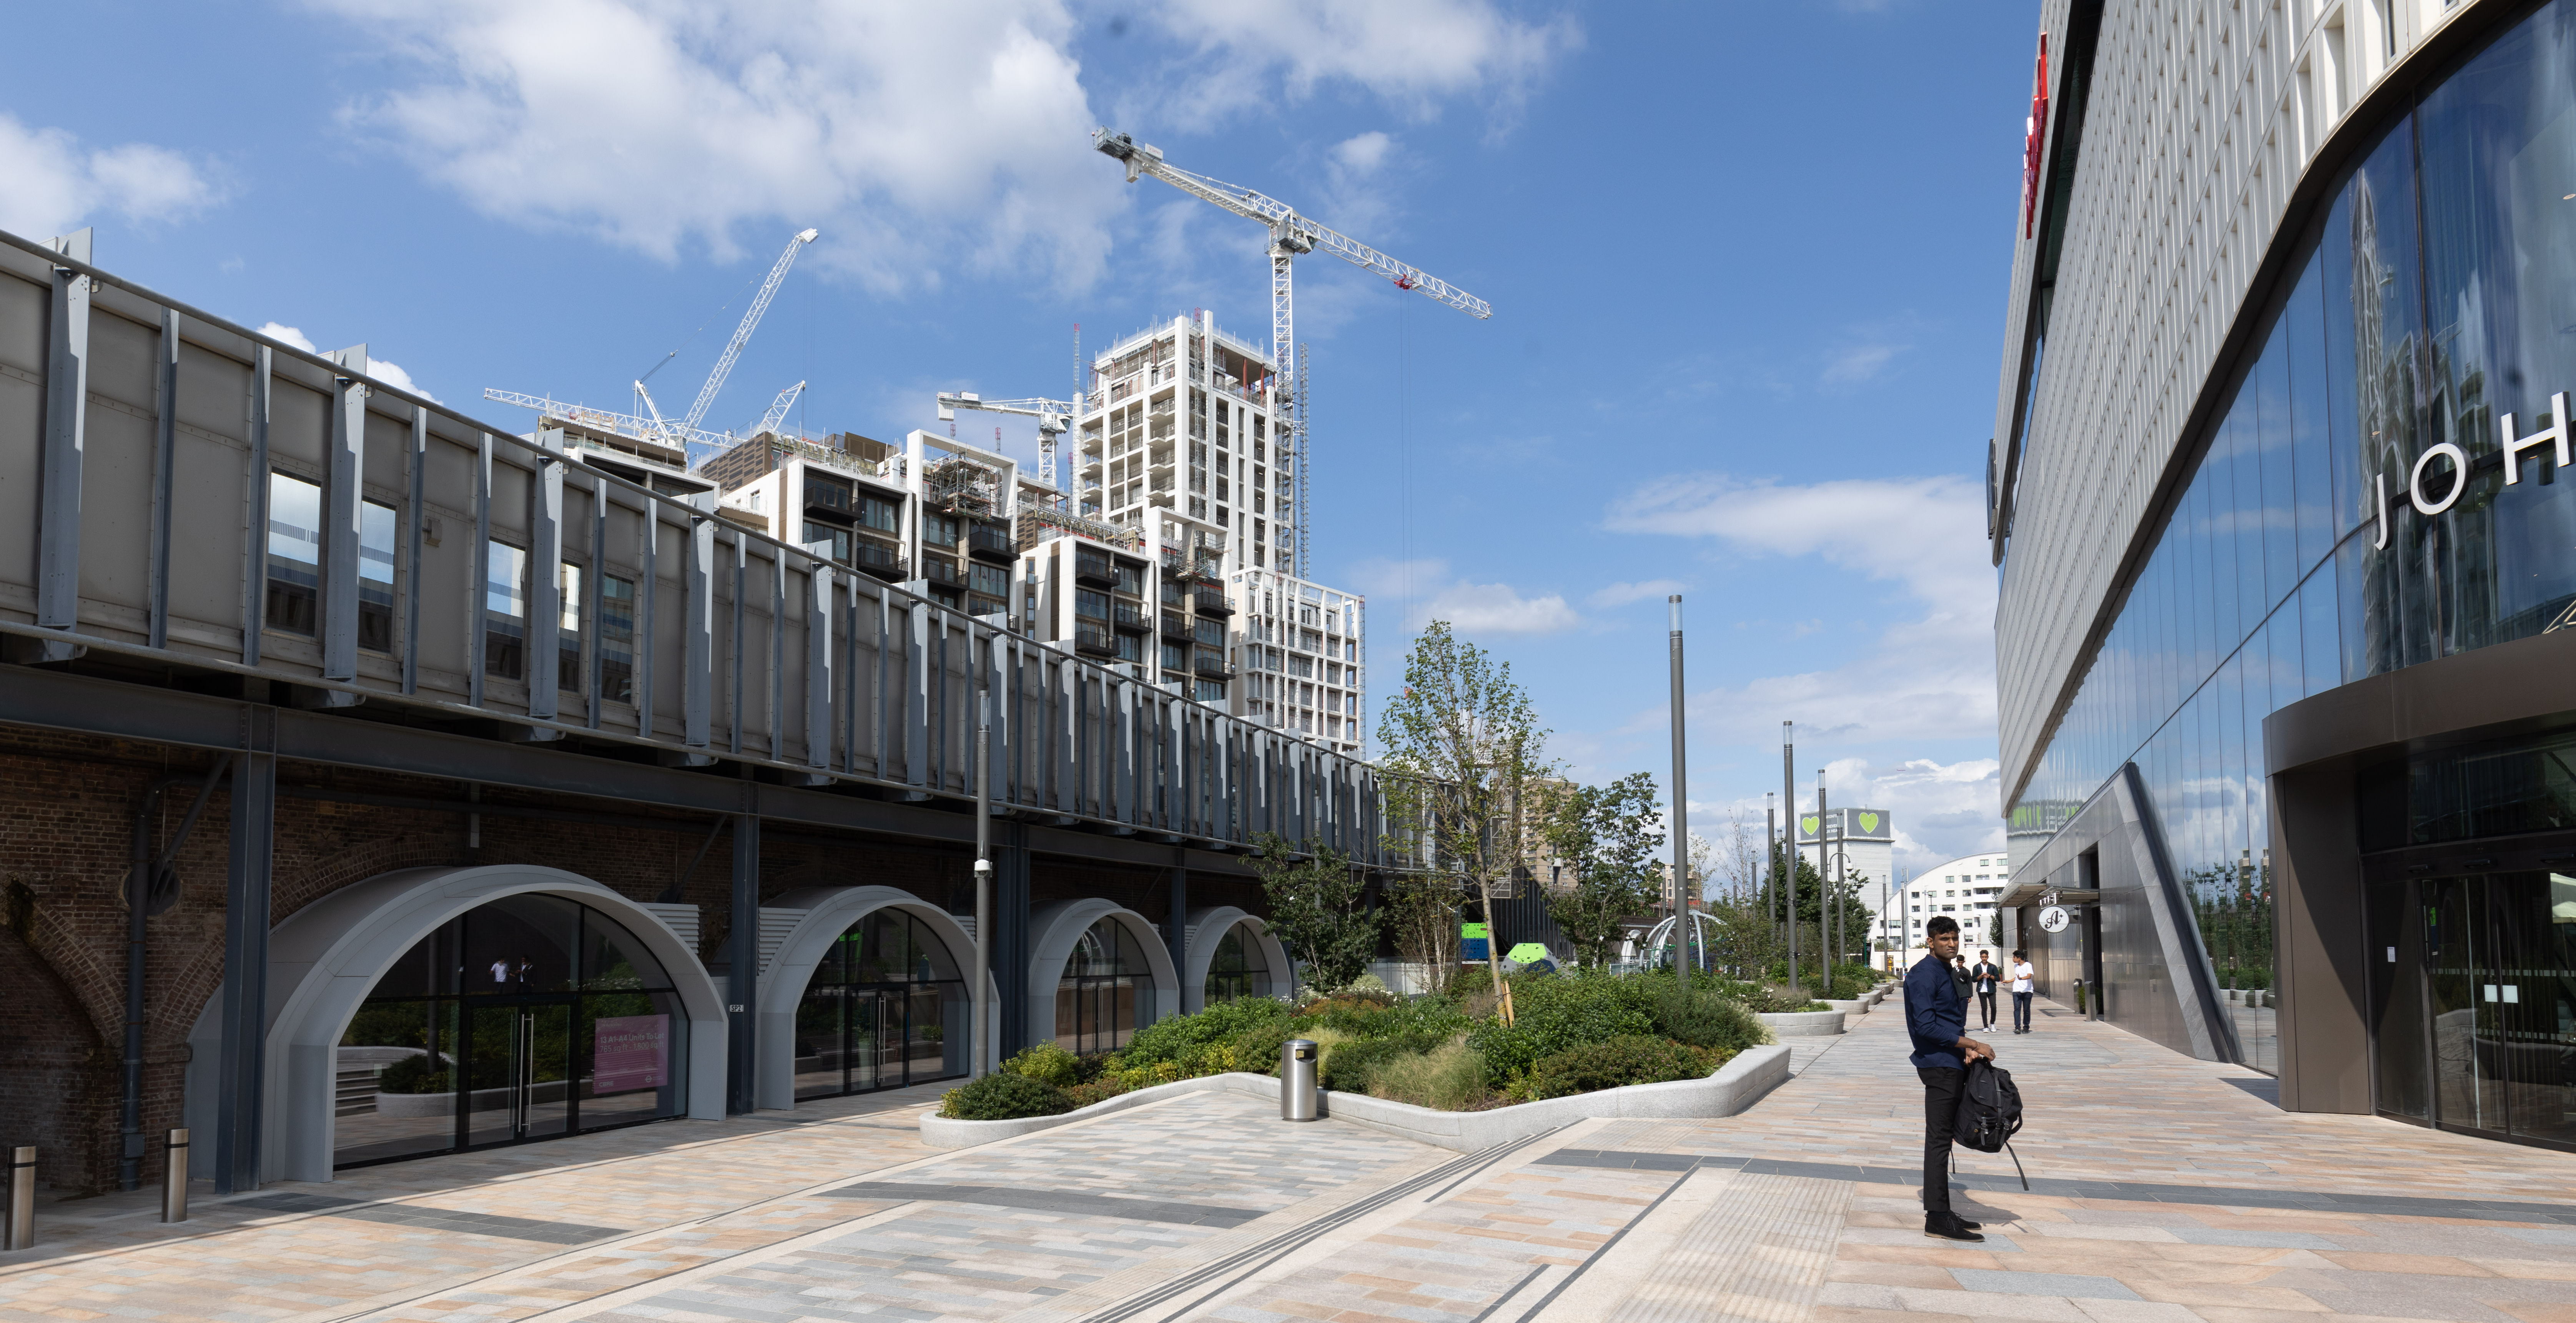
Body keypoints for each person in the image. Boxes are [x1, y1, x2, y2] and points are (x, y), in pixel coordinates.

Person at [1906, 915, 1994, 1242]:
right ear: (1930, 942)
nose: (1952, 944)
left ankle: (1942, 1212)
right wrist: (1973, 1043)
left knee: (1944, 1139)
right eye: (1944, 939)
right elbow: (1926, 1026)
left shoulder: (1947, 971)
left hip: (1950, 1062)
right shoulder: (1923, 974)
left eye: (1955, 938)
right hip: (1938, 1065)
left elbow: (1946, 1021)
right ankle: (1937, 1218)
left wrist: (1965, 1049)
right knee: (1939, 1140)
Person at [1971, 950, 2001, 1030]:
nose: (1984, 959)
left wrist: (1990, 976)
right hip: (1981, 990)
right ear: (1980, 957)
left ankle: (1993, 1023)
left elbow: (1998, 979)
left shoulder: (1993, 967)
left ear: (1988, 957)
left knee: (1994, 1006)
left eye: (1986, 957)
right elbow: (1974, 979)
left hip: (1991, 988)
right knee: (1984, 1008)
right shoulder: (1977, 967)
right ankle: (1986, 1026)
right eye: (1983, 957)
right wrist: (1981, 976)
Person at [2010, 949, 2036, 1034]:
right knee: (2017, 1009)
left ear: (2019, 958)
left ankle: (2026, 1027)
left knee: (2026, 1009)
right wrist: (2008, 981)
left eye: (2014, 957)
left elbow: (2029, 976)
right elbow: (2017, 978)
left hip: (2027, 990)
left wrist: (2021, 978)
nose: (2013, 959)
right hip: (2017, 990)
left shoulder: (2028, 965)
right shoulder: (2016, 966)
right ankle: (2017, 1027)